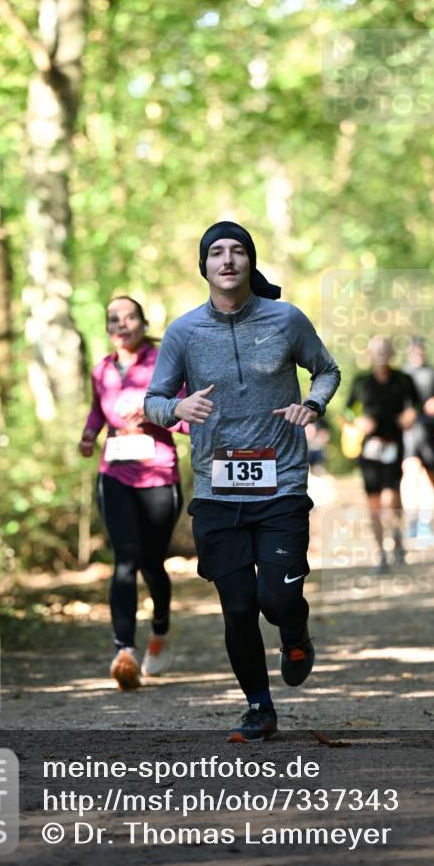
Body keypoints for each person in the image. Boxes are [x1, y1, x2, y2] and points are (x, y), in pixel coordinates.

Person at [144, 222, 340, 742]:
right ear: (204, 266)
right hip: (217, 489)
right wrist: (176, 408)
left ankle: (294, 633)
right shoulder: (184, 332)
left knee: (276, 599)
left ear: (250, 262)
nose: (227, 260)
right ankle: (259, 707)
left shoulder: (286, 319)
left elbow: (327, 370)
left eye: (237, 251)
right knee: (236, 607)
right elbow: (153, 401)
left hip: (281, 484)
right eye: (216, 252)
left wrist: (312, 404)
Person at [79, 296, 184, 691]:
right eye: (113, 319)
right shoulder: (102, 369)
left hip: (159, 475)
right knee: (124, 561)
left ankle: (160, 630)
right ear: (108, 328)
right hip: (115, 475)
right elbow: (97, 409)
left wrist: (153, 410)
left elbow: (185, 413)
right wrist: (89, 433)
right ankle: (124, 651)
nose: (121, 324)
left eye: (129, 317)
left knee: (152, 564)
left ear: (143, 323)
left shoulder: (164, 363)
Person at [345, 337, 419, 572]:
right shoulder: (362, 382)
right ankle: (381, 555)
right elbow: (348, 410)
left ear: (392, 353)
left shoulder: (403, 380)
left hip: (394, 446)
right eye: (377, 351)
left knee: (391, 499)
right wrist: (358, 421)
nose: (382, 355)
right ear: (369, 354)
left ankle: (397, 542)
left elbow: (417, 405)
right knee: (374, 505)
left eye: (386, 351)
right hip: (370, 450)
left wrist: (410, 415)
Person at [401, 336, 434, 538]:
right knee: (410, 471)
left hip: (430, 431)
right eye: (415, 350)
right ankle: (411, 520)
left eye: (421, 350)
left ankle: (425, 522)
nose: (418, 353)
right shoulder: (402, 375)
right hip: (408, 432)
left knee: (428, 476)